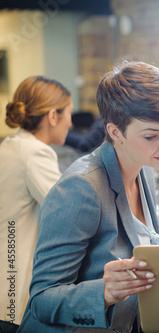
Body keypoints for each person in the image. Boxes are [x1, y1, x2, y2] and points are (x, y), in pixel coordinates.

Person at [18, 61, 159, 332]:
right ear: (116, 132)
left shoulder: (145, 166)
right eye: (152, 135)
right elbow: (41, 300)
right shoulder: (81, 188)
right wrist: (104, 292)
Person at [0, 76, 73, 330]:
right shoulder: (36, 153)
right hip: (14, 281)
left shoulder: (12, 144)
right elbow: (69, 209)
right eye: (68, 114)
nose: (70, 122)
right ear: (53, 116)